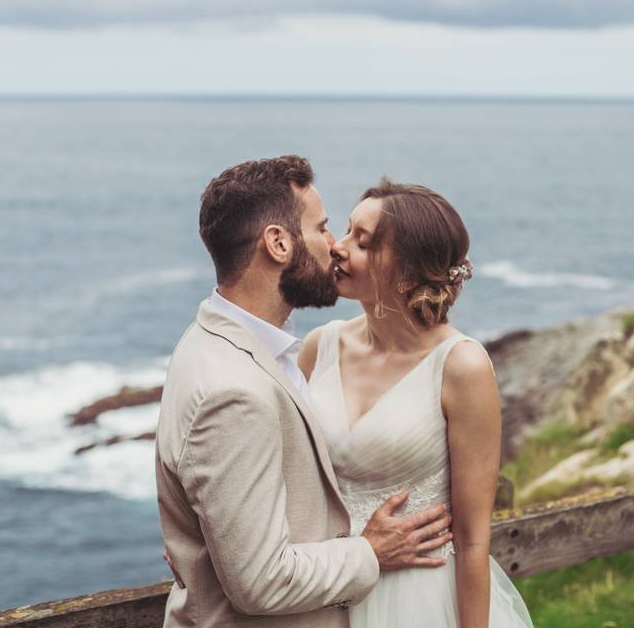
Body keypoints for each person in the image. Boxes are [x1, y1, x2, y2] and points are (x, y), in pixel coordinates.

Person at [155, 156, 454, 628]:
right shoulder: (235, 391)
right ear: (278, 243)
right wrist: (370, 551)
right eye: (322, 229)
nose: (334, 247)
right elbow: (261, 582)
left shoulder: (219, 340)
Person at [299, 179, 535, 627]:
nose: (339, 248)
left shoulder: (461, 367)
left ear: (408, 270)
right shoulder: (318, 347)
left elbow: (471, 541)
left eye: (363, 243)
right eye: (346, 231)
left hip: (420, 601)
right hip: (328, 592)